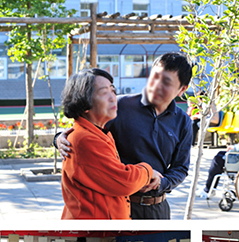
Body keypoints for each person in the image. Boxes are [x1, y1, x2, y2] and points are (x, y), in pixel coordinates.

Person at [56, 52, 194, 219]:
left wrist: (161, 183)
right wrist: (59, 138)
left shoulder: (183, 121)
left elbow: (180, 168)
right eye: (154, 77)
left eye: (166, 83)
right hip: (120, 201)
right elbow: (85, 128)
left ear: (182, 90)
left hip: (157, 207)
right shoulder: (118, 106)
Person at [59, 68, 159, 219]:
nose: (113, 97)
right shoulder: (84, 139)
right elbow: (124, 182)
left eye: (113, 91)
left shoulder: (99, 132)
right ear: (83, 102)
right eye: (104, 92)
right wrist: (148, 170)